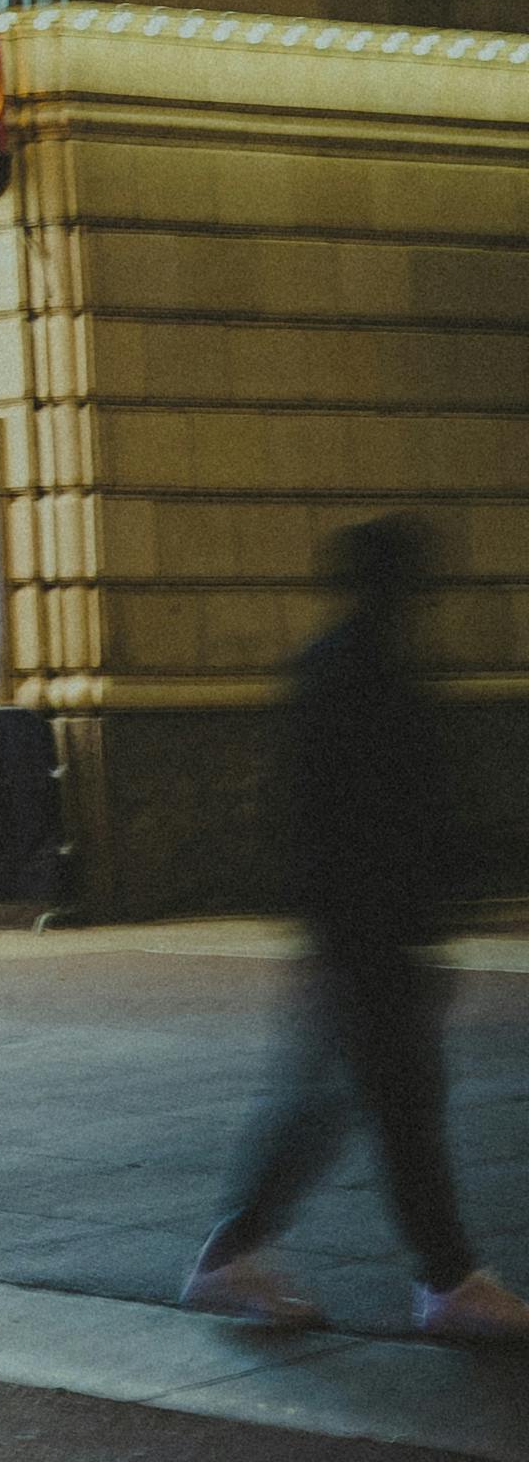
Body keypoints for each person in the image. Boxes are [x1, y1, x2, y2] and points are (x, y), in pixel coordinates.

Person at [186, 514, 526, 1338]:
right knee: (392, 1103)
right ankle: (442, 1281)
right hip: (369, 929)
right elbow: (377, 815)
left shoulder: (338, 665)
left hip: (357, 930)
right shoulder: (366, 672)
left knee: (354, 1102)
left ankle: (246, 1259)